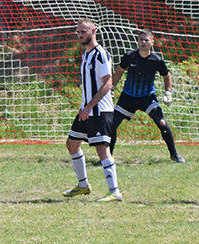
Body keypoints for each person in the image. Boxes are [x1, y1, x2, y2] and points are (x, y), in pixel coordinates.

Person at [63, 18, 123, 202]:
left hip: (99, 111)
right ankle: (83, 185)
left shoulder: (100, 54)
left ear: (93, 31)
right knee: (72, 144)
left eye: (84, 31)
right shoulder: (86, 55)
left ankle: (114, 192)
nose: (80, 35)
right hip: (86, 110)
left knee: (102, 150)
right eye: (78, 32)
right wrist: (85, 106)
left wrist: (90, 106)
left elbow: (108, 82)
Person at [110, 29, 185, 163]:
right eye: (141, 40)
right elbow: (119, 71)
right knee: (111, 124)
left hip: (147, 98)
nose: (143, 42)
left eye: (146, 40)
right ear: (137, 41)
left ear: (152, 42)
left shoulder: (157, 60)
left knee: (162, 123)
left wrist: (168, 92)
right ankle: (107, 157)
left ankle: (174, 155)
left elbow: (167, 76)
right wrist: (112, 88)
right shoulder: (129, 56)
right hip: (128, 97)